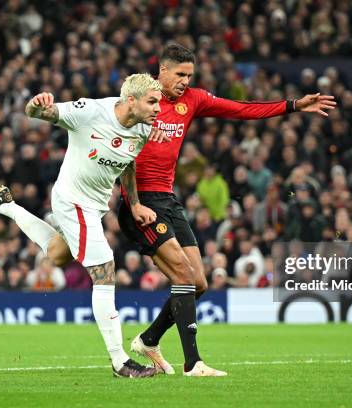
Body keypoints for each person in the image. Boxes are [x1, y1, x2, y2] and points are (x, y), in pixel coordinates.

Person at [117, 43, 336, 377]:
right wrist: (132, 203)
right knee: (184, 275)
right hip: (142, 203)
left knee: (199, 282)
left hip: (168, 199)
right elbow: (119, 154)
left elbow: (242, 109)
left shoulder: (193, 99)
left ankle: (149, 339)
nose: (185, 81)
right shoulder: (140, 101)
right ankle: (194, 364)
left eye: (190, 75)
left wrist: (292, 106)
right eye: (179, 74)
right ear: (161, 70)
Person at [0, 73, 170, 378]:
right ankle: (120, 361)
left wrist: (134, 203)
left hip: (95, 206)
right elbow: (36, 113)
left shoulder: (144, 129)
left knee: (57, 254)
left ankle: (5, 205)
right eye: (152, 101)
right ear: (130, 100)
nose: (159, 108)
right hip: (72, 201)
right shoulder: (91, 111)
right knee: (104, 269)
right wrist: (36, 104)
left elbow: (128, 161)